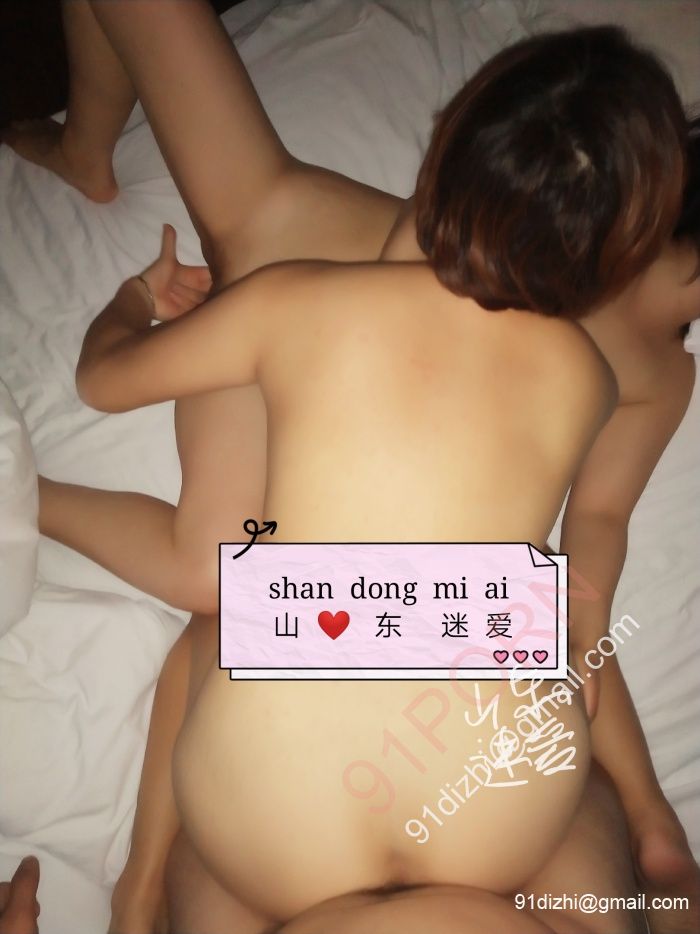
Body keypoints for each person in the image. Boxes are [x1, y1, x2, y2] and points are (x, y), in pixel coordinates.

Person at [4, 2, 699, 932]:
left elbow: (103, 380)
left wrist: (135, 301)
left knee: (249, 603)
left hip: (280, 815)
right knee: (493, 612)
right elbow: (585, 535)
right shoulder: (589, 376)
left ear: (439, 157)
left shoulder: (299, 302)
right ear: (614, 261)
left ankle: (144, 884)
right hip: (496, 817)